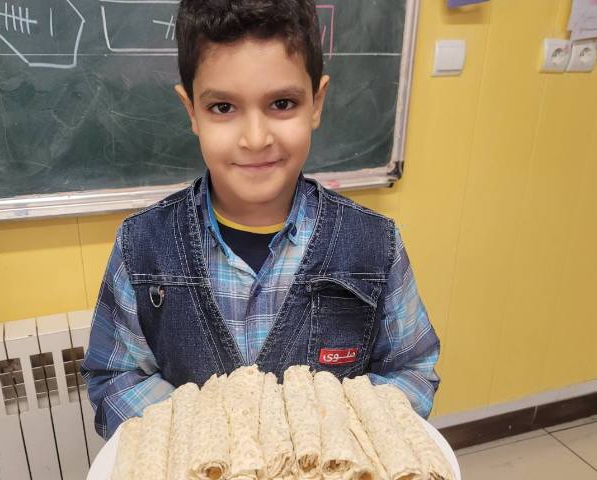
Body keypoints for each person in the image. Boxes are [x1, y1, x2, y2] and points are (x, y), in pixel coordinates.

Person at [81, 0, 440, 440]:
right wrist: (206, 436)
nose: (255, 139)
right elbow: (115, 377)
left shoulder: (375, 245)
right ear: (192, 110)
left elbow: (413, 370)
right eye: (223, 107)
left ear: (316, 103)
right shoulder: (142, 246)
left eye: (282, 103)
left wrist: (336, 434)